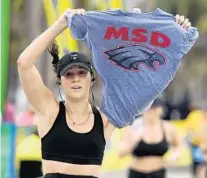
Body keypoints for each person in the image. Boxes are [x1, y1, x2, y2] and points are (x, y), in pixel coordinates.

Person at [17, 8, 193, 178]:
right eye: (68, 74)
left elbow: (144, 81)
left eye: (81, 73)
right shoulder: (49, 111)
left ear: (91, 79)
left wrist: (176, 31)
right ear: (60, 81)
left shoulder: (106, 119)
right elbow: (24, 64)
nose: (75, 79)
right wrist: (61, 23)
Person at [118, 99, 183, 178]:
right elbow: (120, 153)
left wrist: (175, 154)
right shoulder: (134, 127)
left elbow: (178, 144)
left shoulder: (167, 127)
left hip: (159, 173)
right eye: (147, 108)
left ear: (160, 110)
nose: (151, 111)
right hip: (137, 174)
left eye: (154, 108)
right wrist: (133, 141)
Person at [185, 109, 207, 178]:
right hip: (197, 146)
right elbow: (189, 132)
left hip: (201, 146)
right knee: (200, 166)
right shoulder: (195, 115)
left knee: (201, 167)